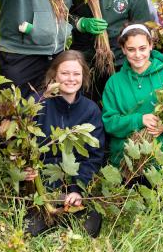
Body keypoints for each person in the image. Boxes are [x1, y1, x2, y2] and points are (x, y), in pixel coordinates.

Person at [23, 50, 105, 237]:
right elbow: (21, 147)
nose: (71, 79)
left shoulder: (90, 110)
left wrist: (78, 190)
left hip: (74, 187)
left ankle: (67, 220)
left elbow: (94, 156)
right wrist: (25, 171)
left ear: (83, 76)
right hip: (42, 190)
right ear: (54, 75)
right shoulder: (37, 104)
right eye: (65, 73)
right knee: (30, 231)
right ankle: (45, 218)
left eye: (76, 74)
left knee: (88, 228)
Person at [70, 0, 151, 104]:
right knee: (86, 109)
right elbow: (67, 16)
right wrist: (81, 24)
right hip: (85, 60)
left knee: (115, 108)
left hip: (118, 62)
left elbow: (141, 26)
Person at [102, 24, 163, 169]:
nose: (137, 54)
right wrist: (139, 119)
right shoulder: (114, 83)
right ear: (123, 49)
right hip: (125, 161)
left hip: (161, 160)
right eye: (131, 49)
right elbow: (109, 122)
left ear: (150, 46)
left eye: (142, 48)